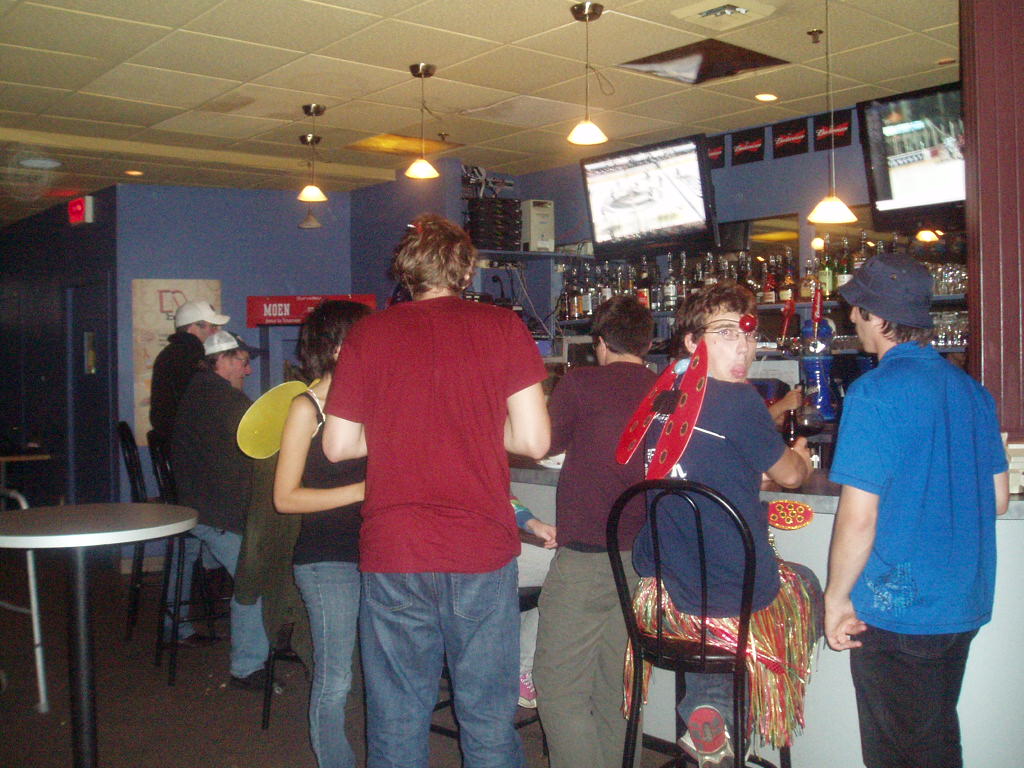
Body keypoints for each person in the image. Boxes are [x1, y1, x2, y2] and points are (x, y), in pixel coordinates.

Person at [321, 213, 550, 768]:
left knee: (396, 721)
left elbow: (338, 447)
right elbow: (534, 440)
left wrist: (402, 427)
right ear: (467, 271)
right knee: (487, 722)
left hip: (394, 549)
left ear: (406, 273)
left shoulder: (368, 334)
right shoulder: (503, 327)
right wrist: (471, 425)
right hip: (479, 547)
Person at [825, 253, 1009, 768]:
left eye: (857, 308)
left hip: (899, 611)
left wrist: (836, 599)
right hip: (961, 605)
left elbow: (859, 517)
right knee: (934, 743)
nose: (852, 317)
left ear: (877, 315)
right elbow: (998, 498)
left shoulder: (873, 392)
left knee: (898, 755)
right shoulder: (971, 390)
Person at [630, 283, 821, 767]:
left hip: (663, 586)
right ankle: (724, 714)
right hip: (723, 588)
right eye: (726, 334)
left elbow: (699, 464)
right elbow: (792, 478)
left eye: (749, 335)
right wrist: (800, 457)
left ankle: (713, 713)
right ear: (693, 342)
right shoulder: (738, 401)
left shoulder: (662, 395)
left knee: (709, 580)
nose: (744, 348)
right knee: (807, 585)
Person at [532, 295, 657, 768]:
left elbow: (542, 443)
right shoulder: (669, 390)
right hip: (643, 560)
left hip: (587, 555)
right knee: (617, 688)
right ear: (647, 344)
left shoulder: (582, 382)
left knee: (558, 687)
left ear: (600, 342)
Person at [273, 300, 371, 768]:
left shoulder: (372, 401)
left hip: (378, 552)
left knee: (380, 673)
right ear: (335, 348)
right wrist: (361, 491)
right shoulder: (306, 407)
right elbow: (285, 498)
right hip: (327, 558)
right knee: (336, 679)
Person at [170, 330, 271, 687]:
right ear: (222, 361)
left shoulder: (196, 391)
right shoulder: (228, 400)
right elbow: (263, 447)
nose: (248, 370)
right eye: (243, 362)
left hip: (190, 505)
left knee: (191, 557)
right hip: (215, 513)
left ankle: (174, 627)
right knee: (253, 578)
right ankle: (248, 666)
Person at [150, 300, 228, 442]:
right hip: (185, 441)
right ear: (192, 328)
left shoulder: (173, 352)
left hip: (174, 438)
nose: (216, 331)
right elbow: (201, 404)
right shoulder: (191, 355)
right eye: (212, 326)